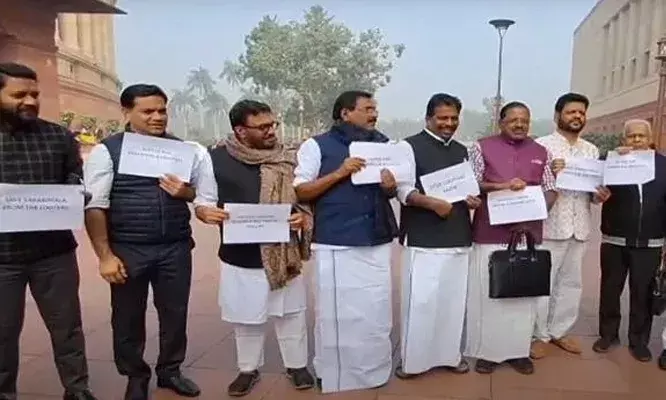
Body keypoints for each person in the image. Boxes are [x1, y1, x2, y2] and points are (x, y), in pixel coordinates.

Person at [83, 84, 209, 399]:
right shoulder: (107, 151)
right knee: (127, 317)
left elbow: (198, 194)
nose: (157, 117)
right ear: (126, 112)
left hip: (175, 247)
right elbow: (95, 206)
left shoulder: (183, 150)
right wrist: (105, 256)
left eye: (162, 110)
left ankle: (170, 371)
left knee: (175, 313)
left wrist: (186, 193)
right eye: (148, 111)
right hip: (129, 249)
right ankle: (135, 376)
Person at [193, 100, 315, 397]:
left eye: (273, 124)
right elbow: (204, 199)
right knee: (246, 316)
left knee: (291, 314)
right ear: (240, 131)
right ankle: (248, 369)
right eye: (262, 127)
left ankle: (297, 366)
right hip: (239, 254)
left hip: (283, 252)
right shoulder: (216, 159)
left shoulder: (289, 158)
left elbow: (304, 200)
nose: (272, 131)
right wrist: (204, 211)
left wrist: (303, 217)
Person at [0, 63, 97, 400]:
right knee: (2, 332)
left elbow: (74, 177)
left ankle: (77, 389)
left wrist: (74, 194)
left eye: (35, 94)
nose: (30, 101)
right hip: (3, 258)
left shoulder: (58, 136)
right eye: (19, 94)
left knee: (67, 326)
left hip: (54, 253)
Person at [294, 90, 398, 393]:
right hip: (335, 241)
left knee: (375, 310)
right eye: (367, 109)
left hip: (376, 238)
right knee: (335, 312)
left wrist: (390, 186)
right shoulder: (317, 145)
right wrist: (340, 172)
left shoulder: (386, 145)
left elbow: (393, 192)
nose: (374, 114)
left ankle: (373, 372)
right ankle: (331, 371)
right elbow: (301, 191)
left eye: (375, 109)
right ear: (345, 113)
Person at [464, 101, 558, 375]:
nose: (519, 125)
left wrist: (538, 209)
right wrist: (501, 186)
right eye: (513, 120)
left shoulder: (541, 151)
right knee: (489, 293)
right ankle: (488, 353)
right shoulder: (481, 147)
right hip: (490, 233)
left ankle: (518, 352)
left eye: (524, 121)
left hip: (527, 234)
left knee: (523, 295)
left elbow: (551, 188)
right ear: (501, 122)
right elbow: (472, 183)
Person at [394, 93, 480, 378]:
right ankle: (413, 362)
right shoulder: (408, 146)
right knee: (421, 303)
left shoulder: (461, 150)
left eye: (454, 118)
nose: (449, 123)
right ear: (428, 118)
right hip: (423, 237)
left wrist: (472, 200)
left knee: (452, 302)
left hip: (458, 235)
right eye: (442, 118)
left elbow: (466, 189)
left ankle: (449, 356)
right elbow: (403, 190)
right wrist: (431, 203)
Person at [530, 93, 611, 359]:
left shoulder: (591, 150)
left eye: (581, 113)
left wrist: (600, 195)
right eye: (571, 112)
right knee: (543, 282)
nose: (577, 116)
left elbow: (592, 191)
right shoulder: (541, 146)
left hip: (580, 225)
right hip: (550, 224)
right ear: (558, 116)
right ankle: (538, 334)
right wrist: (551, 174)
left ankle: (560, 331)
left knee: (572, 282)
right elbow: (531, 186)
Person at [593, 119, 666, 363]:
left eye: (641, 136)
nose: (636, 140)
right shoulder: (612, 161)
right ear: (623, 139)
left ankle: (639, 341)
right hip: (614, 239)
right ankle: (608, 335)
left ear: (649, 138)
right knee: (610, 290)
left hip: (650, 242)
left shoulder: (663, 164)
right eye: (631, 136)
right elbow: (593, 184)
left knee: (643, 293)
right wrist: (611, 158)